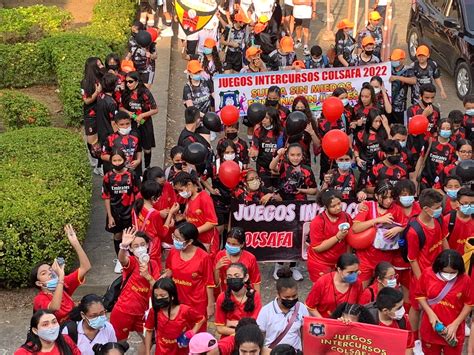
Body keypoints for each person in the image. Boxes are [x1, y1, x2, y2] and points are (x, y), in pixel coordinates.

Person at [416, 249, 473, 355]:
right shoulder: (427, 274)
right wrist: (430, 314)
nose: (449, 275)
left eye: (453, 272)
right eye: (445, 272)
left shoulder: (465, 280)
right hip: (430, 329)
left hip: (453, 333)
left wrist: (455, 324)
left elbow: (469, 304)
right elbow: (420, 295)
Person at [109, 228, 160, 346]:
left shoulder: (153, 264)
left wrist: (148, 276)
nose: (140, 248)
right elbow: (122, 259)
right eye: (136, 246)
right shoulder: (132, 262)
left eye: (143, 244)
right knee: (119, 344)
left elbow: (157, 288)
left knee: (149, 341)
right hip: (124, 311)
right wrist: (123, 246)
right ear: (131, 249)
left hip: (143, 312)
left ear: (148, 245)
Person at [31, 224, 91, 324]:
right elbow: (54, 307)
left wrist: (75, 242)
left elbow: (86, 267)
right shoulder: (40, 299)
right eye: (43, 273)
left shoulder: (63, 282)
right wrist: (61, 278)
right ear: (39, 283)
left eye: (50, 269)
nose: (49, 273)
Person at [406, 189, 446, 335]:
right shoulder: (414, 231)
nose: (439, 210)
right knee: (416, 307)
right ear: (426, 209)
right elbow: (412, 259)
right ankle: (414, 338)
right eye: (436, 208)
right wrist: (422, 280)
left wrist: (449, 258)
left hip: (439, 273)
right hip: (421, 275)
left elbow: (442, 240)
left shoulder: (438, 220)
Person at [351, 180, 404, 286]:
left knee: (385, 293)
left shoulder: (397, 209)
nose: (388, 201)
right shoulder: (368, 206)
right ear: (376, 196)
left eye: (391, 197)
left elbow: (406, 226)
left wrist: (399, 229)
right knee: (360, 290)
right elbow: (355, 228)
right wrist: (377, 220)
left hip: (386, 261)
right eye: (384, 198)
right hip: (365, 259)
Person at [163, 222, 216, 329]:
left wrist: (210, 305)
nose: (175, 241)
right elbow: (170, 270)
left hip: (197, 303)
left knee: (196, 332)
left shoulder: (204, 257)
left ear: (190, 241)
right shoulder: (173, 251)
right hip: (177, 301)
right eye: (174, 236)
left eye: (178, 239)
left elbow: (209, 282)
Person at [144, 277, 205, 355]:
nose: (158, 298)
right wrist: (147, 352)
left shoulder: (185, 310)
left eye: (162, 296)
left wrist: (191, 333)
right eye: (156, 296)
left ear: (172, 296)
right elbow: (149, 331)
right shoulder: (154, 311)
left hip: (182, 350)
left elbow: (201, 319)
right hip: (162, 351)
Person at [101, 149, 139, 272]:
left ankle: (133, 259)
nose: (117, 163)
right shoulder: (107, 177)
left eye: (119, 160)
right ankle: (120, 259)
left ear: (125, 160)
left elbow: (137, 193)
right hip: (115, 211)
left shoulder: (131, 175)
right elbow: (106, 196)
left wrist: (137, 211)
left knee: (131, 235)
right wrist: (110, 215)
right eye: (114, 160)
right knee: (117, 235)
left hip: (130, 211)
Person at [257, 267, 308, 351]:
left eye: (294, 296)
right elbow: (260, 336)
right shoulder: (266, 311)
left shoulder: (301, 308)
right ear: (278, 294)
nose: (291, 299)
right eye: (287, 297)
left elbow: (304, 334)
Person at [307, 190, 352, 282]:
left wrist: (347, 258)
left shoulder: (346, 216)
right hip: (320, 263)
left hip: (339, 263)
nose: (338, 207)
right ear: (326, 207)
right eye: (333, 206)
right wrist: (337, 237)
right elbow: (317, 247)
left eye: (339, 203)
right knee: (323, 292)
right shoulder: (318, 222)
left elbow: (349, 240)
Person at [173, 173, 219, 255]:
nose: (180, 193)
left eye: (181, 190)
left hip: (206, 241)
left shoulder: (204, 198)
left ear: (189, 184)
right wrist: (183, 217)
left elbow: (212, 222)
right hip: (195, 240)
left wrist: (194, 232)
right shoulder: (189, 198)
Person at [120, 71, 158, 169]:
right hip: (131, 123)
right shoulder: (125, 93)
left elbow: (155, 109)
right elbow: (120, 107)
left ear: (137, 81)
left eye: (130, 81)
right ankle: (135, 167)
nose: (128, 84)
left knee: (147, 148)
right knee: (134, 147)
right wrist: (128, 113)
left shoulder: (145, 92)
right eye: (126, 82)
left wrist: (142, 116)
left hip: (145, 123)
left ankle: (147, 167)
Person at [132, 180, 179, 261]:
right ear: (153, 197)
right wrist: (171, 213)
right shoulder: (155, 214)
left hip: (139, 242)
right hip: (152, 245)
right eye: (159, 196)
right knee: (153, 266)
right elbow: (163, 232)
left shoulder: (137, 205)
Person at [306, 253, 364, 318]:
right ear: (339, 269)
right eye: (350, 272)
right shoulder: (323, 282)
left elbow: (358, 307)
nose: (354, 275)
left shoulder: (357, 283)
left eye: (356, 271)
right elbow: (310, 306)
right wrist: (324, 322)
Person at [215, 263, 262, 336]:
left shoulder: (255, 296)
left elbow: (254, 326)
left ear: (245, 277)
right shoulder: (222, 297)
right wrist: (242, 329)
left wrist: (232, 323)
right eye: (229, 277)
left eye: (237, 276)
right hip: (228, 339)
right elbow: (220, 328)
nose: (233, 279)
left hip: (249, 339)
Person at [367, 288, 415, 354]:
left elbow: (408, 347)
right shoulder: (368, 323)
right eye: (398, 308)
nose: (402, 310)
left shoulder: (403, 321)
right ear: (385, 311)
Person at [214, 227, 261, 293]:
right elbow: (216, 283)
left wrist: (257, 300)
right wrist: (216, 268)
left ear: (242, 245)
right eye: (228, 243)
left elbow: (256, 282)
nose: (230, 246)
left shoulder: (250, 258)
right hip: (226, 296)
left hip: (245, 296)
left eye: (234, 244)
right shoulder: (220, 255)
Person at [414, 118, 457, 191]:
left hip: (442, 182)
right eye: (443, 128)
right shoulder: (431, 141)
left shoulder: (453, 146)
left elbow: (452, 166)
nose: (445, 130)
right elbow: (421, 158)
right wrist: (415, 177)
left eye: (448, 128)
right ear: (439, 129)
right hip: (426, 180)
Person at [249, 107, 285, 189]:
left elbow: (285, 149)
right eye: (262, 117)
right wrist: (253, 155)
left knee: (279, 191)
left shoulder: (281, 132)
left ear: (273, 119)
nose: (263, 120)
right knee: (264, 190)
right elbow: (254, 147)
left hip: (278, 167)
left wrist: (278, 166)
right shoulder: (258, 130)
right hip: (262, 167)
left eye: (266, 118)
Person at [15, 310, 80, 355]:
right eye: (45, 324)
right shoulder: (23, 352)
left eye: (54, 322)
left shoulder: (66, 340)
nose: (52, 327)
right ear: (35, 330)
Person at [353, 108, 389, 189]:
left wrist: (386, 125)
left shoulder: (384, 133)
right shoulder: (361, 134)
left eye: (380, 121)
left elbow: (392, 144)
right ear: (370, 120)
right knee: (363, 190)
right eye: (376, 121)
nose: (378, 124)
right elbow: (356, 147)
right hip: (365, 168)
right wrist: (357, 158)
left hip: (381, 168)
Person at [81, 57, 105, 173]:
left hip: (102, 112)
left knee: (101, 138)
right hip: (91, 115)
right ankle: (94, 160)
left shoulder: (102, 77)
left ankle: (100, 164)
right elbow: (86, 100)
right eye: (99, 65)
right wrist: (97, 92)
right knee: (92, 140)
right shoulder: (86, 82)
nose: (102, 66)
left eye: (101, 64)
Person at [126, 21, 157, 87]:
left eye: (135, 31)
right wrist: (127, 59)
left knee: (145, 90)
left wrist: (150, 55)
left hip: (148, 69)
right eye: (132, 31)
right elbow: (130, 51)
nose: (133, 33)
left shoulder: (148, 40)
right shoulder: (131, 40)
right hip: (135, 68)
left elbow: (155, 55)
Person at [389, 49, 416, 125]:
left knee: (400, 125)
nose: (394, 61)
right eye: (393, 59)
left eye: (396, 59)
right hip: (387, 103)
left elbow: (414, 80)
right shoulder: (387, 67)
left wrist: (397, 78)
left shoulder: (408, 70)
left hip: (400, 105)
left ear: (403, 59)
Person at [444, 188, 474, 255]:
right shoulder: (447, 220)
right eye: (465, 203)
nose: (469, 206)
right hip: (454, 262)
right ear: (457, 203)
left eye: (472, 203)